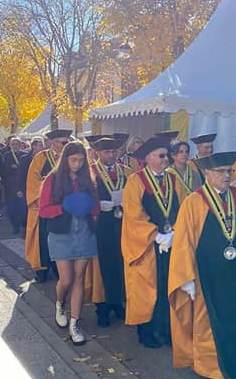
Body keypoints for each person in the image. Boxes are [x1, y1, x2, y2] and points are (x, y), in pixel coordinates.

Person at [168, 151, 236, 379]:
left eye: (229, 171)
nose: (227, 176)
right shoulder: (194, 201)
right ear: (207, 173)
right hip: (208, 274)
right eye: (221, 172)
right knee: (209, 321)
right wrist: (186, 278)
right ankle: (210, 370)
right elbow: (184, 241)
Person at [121, 135, 187, 348]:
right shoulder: (135, 181)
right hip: (148, 245)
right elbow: (133, 214)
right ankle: (147, 331)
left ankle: (168, 330)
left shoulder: (174, 179)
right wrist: (156, 235)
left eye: (167, 155)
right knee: (148, 288)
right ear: (149, 158)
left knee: (170, 285)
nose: (166, 159)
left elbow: (185, 207)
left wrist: (176, 232)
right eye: (161, 155)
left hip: (172, 243)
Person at [38, 140, 99, 345]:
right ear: (65, 159)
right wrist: (64, 208)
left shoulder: (88, 178)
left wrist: (90, 209)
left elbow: (95, 207)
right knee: (66, 279)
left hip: (84, 233)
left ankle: (75, 322)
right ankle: (60, 303)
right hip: (61, 234)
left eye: (82, 160)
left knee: (79, 278)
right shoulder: (52, 179)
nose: (78, 164)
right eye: (74, 160)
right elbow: (43, 210)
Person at [91, 135, 132, 327]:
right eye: (107, 151)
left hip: (122, 223)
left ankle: (118, 302)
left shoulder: (126, 172)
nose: (111, 154)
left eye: (114, 151)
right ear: (97, 153)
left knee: (120, 262)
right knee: (102, 266)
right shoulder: (90, 172)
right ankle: (102, 307)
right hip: (99, 225)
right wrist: (97, 206)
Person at [25, 129, 72, 282]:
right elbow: (33, 181)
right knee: (43, 239)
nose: (66, 145)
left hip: (64, 208)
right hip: (44, 207)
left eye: (68, 142)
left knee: (62, 238)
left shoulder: (70, 159)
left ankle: (60, 268)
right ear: (53, 143)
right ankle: (42, 269)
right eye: (63, 142)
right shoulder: (41, 158)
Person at [2, 136, 28, 235]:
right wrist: (10, 167)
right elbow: (4, 171)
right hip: (10, 187)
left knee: (23, 209)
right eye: (13, 144)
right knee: (11, 209)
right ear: (10, 145)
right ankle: (15, 226)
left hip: (22, 187)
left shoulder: (24, 156)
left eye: (17, 144)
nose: (15, 146)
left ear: (21, 145)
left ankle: (24, 228)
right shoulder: (7, 156)